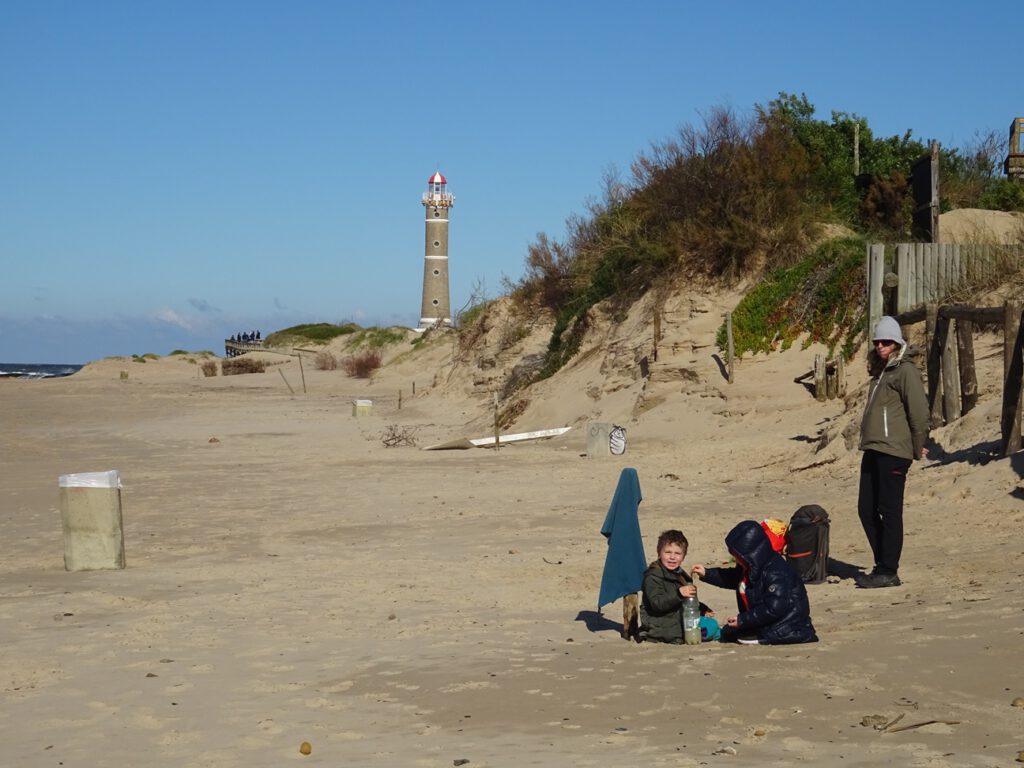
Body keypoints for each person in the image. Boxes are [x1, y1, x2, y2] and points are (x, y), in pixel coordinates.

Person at [856, 316, 929, 589]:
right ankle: (882, 564)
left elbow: (919, 411)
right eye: (877, 342)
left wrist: (918, 442)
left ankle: (888, 570)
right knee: (865, 510)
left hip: (894, 451)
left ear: (897, 343)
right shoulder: (882, 370)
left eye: (886, 342)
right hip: (874, 448)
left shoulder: (905, 370)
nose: (881, 346)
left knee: (890, 511)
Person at [692, 521, 817, 645]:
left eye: (737, 556)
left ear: (750, 554)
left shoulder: (776, 572)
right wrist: (707, 573)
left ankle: (760, 633)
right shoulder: (752, 566)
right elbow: (731, 578)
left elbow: (774, 608)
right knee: (728, 632)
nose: (735, 559)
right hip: (764, 620)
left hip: (787, 625)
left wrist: (742, 620)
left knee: (740, 637)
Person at [639, 530, 715, 644]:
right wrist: (679, 593)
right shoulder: (653, 577)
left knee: (711, 625)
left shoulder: (680, 574)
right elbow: (657, 603)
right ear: (659, 553)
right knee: (705, 630)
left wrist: (702, 609)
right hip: (658, 625)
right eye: (668, 552)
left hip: (676, 618)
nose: (672, 557)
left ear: (683, 556)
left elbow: (688, 601)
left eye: (677, 553)